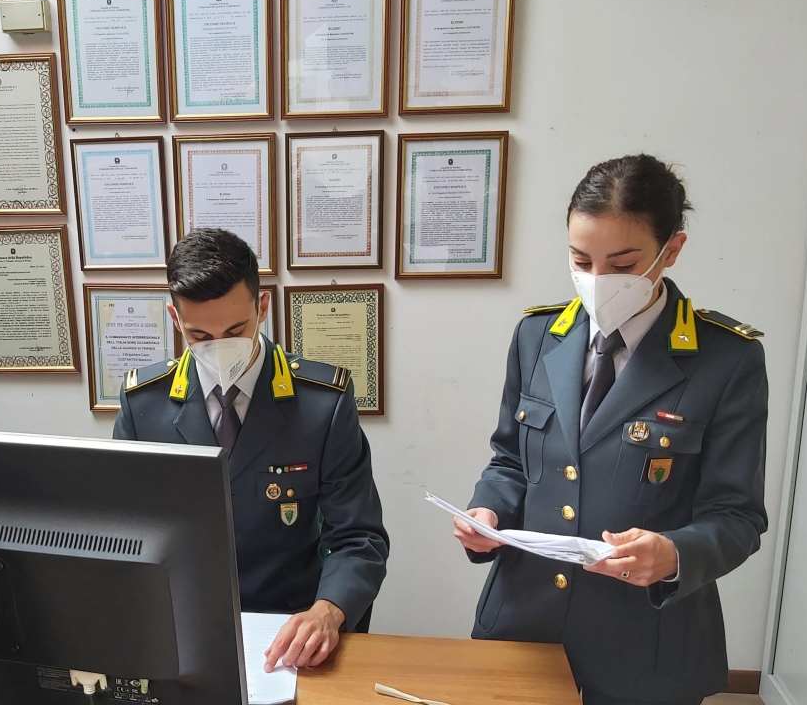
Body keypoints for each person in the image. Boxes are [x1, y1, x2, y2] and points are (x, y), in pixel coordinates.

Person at [453, 155, 768, 705]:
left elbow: (738, 516)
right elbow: (509, 460)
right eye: (581, 260)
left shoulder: (725, 359)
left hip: (647, 643)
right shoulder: (537, 336)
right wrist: (488, 511)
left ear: (671, 250)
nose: (597, 281)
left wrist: (673, 553)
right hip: (526, 623)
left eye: (622, 264)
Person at [114, 228, 389, 672]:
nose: (219, 347)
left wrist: (328, 610)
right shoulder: (144, 405)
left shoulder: (322, 404)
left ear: (262, 307)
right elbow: (124, 532)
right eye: (199, 335)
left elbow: (359, 537)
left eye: (235, 330)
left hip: (291, 628)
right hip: (183, 629)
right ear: (174, 318)